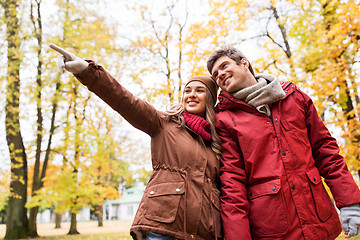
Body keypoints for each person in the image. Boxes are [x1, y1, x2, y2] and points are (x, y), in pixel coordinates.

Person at [50, 44, 223, 240]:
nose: (191, 95)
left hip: (203, 232)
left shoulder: (216, 141)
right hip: (162, 225)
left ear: (210, 98)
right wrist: (86, 71)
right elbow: (124, 100)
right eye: (187, 90)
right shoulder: (164, 123)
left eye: (200, 90)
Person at [206, 46, 360, 240]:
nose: (220, 74)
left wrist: (349, 203)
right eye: (215, 74)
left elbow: (325, 149)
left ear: (244, 63)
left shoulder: (293, 97)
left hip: (317, 220)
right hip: (273, 228)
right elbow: (232, 183)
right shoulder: (224, 120)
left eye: (224, 66)